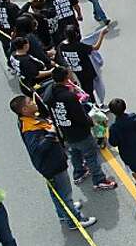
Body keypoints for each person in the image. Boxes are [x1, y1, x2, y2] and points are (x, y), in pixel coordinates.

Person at [10, 95, 96, 229]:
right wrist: (51, 134)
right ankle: (75, 220)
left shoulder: (29, 120)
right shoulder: (29, 129)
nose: (34, 102)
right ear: (25, 109)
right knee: (65, 194)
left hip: (51, 164)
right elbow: (37, 149)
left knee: (57, 193)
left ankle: (63, 213)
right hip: (52, 166)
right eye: (30, 102)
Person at [42, 67, 116, 191]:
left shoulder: (50, 93)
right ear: (66, 78)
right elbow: (79, 116)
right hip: (80, 133)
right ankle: (99, 180)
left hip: (65, 131)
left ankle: (79, 173)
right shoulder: (69, 97)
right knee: (91, 156)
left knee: (74, 153)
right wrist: (90, 122)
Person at [107, 98, 136, 193]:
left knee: (134, 170)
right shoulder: (134, 117)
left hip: (127, 154)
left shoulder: (114, 128)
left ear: (112, 112)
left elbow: (113, 143)